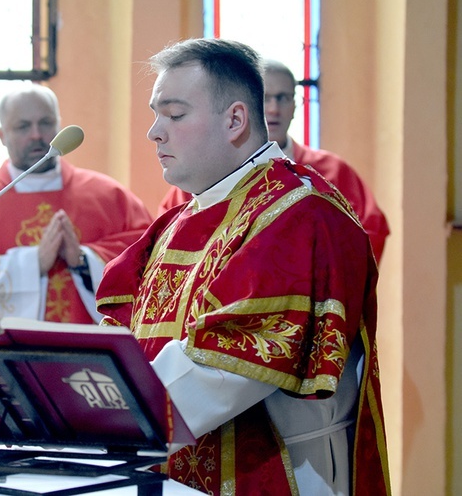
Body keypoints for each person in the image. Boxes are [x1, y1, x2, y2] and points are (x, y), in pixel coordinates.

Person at [96, 38, 390, 494]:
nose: (155, 132)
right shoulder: (175, 223)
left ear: (235, 119)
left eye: (174, 115)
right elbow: (123, 336)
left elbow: (227, 366)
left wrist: (103, 414)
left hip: (282, 471)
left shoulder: (301, 215)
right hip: (170, 470)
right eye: (156, 114)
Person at [0, 84, 153, 323]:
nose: (36, 134)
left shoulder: (108, 194)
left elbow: (147, 254)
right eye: (23, 126)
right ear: (2, 135)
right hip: (10, 353)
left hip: (91, 348)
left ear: (58, 126)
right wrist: (32, 262)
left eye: (46, 123)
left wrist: (83, 258)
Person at [158, 59, 390, 264]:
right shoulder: (206, 173)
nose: (273, 108)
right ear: (245, 107)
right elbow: (169, 236)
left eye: (283, 98)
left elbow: (369, 231)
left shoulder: (332, 171)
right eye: (266, 98)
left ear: (295, 106)